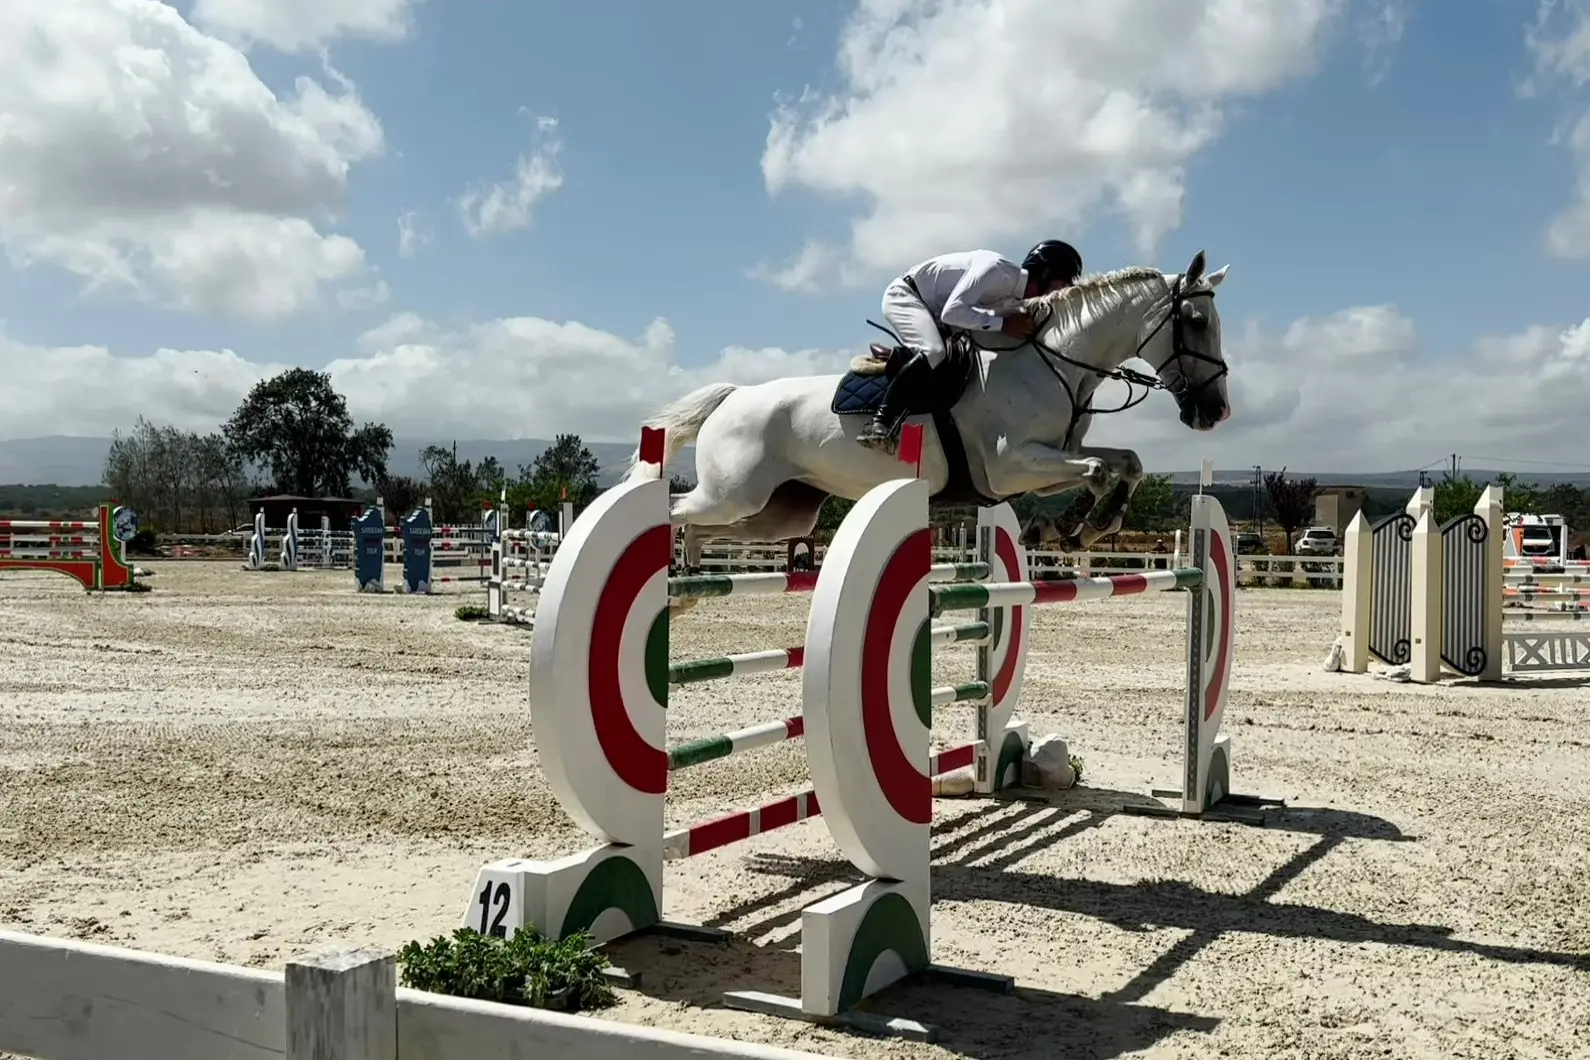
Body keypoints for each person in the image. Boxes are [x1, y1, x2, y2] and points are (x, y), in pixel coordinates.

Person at [857, 240, 1085, 450]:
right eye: (1061, 285)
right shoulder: (996, 271)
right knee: (934, 352)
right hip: (906, 296)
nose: (1060, 293)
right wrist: (1004, 325)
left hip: (934, 310)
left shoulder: (1012, 297)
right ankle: (881, 422)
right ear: (1045, 274)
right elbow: (951, 313)